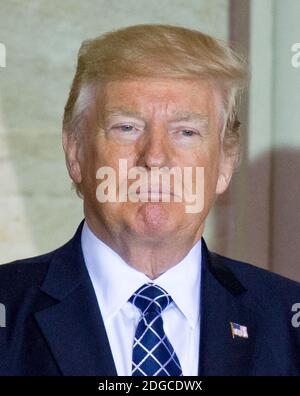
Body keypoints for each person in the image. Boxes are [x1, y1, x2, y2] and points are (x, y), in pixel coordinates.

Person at [0, 24, 300, 376]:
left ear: (226, 164)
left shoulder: (287, 321)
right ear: (76, 152)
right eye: (127, 127)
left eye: (186, 132)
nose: (155, 158)